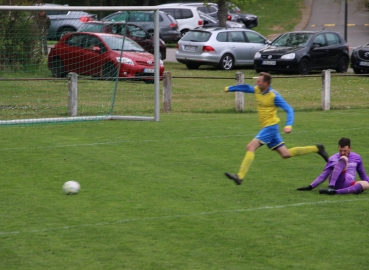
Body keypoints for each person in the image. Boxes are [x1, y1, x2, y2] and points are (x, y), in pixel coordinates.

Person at [223, 72, 329, 185]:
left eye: (259, 81)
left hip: (271, 127)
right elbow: (245, 87)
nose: (256, 83)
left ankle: (240, 176)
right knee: (285, 154)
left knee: (250, 146)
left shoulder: (274, 96)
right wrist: (230, 88)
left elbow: (289, 109)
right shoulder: (257, 89)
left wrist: (288, 124)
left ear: (266, 83)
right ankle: (317, 149)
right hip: (269, 128)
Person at [297, 137, 369, 195]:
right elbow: (323, 175)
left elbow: (363, 175)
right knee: (343, 159)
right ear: (338, 147)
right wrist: (310, 187)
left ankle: (334, 192)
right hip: (336, 182)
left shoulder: (357, 157)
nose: (342, 152)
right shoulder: (333, 158)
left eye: (345, 150)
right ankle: (331, 187)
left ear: (350, 148)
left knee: (366, 184)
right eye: (340, 150)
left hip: (348, 183)